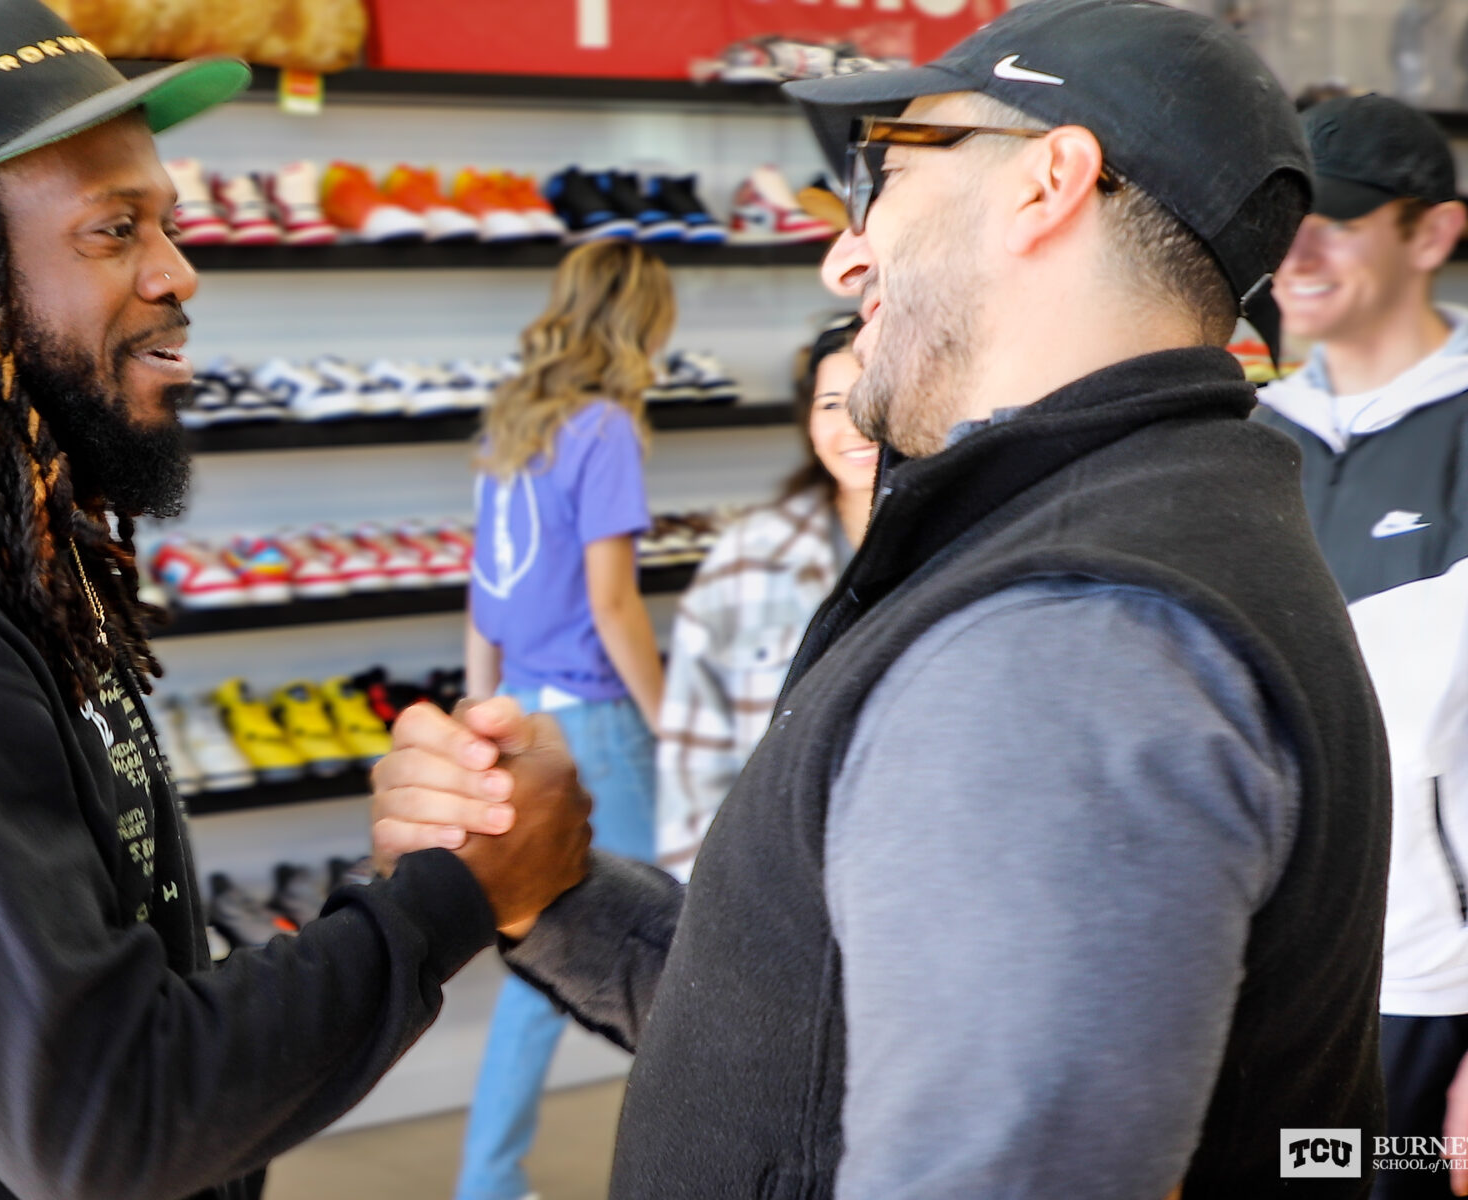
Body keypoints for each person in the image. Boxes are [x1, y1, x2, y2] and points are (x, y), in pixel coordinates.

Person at [369, 0, 1392, 1195]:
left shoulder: (1056, 654)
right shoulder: (1115, 541)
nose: (842, 257)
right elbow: (811, 1044)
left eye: (885, 175)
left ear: (1046, 183)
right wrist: (553, 891)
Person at [0, 3, 588, 1197]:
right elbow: (109, 1120)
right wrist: (447, 900)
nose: (176, 271)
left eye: (168, 223)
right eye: (112, 230)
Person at [1255, 95, 1468, 1200]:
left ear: (1431, 234)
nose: (1295, 254)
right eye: (1283, 219)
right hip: (1279, 973)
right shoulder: (1248, 436)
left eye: (1334, 221)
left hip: (1431, 987)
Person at [456, 238, 672, 1200]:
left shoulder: (516, 421)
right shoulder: (607, 428)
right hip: (598, 724)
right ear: (639, 320)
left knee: (544, 957)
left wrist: (482, 709)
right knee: (677, 951)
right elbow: (613, 603)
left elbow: (482, 589)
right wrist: (673, 722)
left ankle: (488, 1179)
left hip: (527, 710)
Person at [653, 316, 873, 880]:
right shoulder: (748, 559)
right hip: (772, 884)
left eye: (873, 395)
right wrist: (699, 900)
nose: (854, 423)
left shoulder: (971, 547)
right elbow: (694, 756)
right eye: (831, 404)